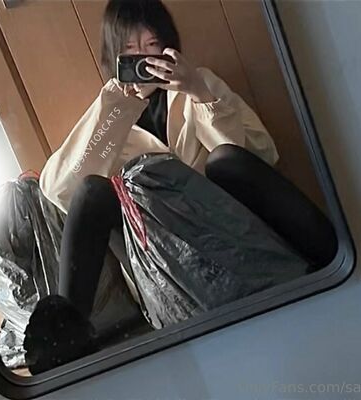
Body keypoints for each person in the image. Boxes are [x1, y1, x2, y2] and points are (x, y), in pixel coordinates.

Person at [26, 0, 337, 370]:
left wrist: (201, 94)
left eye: (152, 45)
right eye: (130, 50)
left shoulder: (199, 84)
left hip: (232, 241)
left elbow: (259, 157)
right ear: (113, 58)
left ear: (170, 47)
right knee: (92, 191)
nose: (144, 59)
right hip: (165, 269)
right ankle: (65, 342)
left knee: (225, 160)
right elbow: (60, 189)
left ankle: (334, 259)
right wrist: (120, 107)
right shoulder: (110, 113)